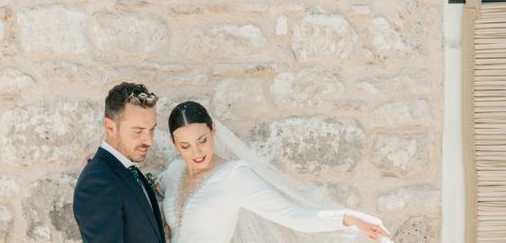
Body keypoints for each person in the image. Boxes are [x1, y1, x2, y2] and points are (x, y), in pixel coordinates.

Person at [159, 101, 392, 243]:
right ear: (173, 143)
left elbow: (292, 215)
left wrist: (348, 217)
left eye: (202, 140)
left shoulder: (234, 177)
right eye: (185, 146)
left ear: (214, 131)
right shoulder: (174, 172)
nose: (197, 152)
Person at [72, 82, 165, 243]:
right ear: (110, 127)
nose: (148, 140)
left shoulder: (127, 169)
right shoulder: (97, 183)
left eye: (152, 129)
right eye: (138, 131)